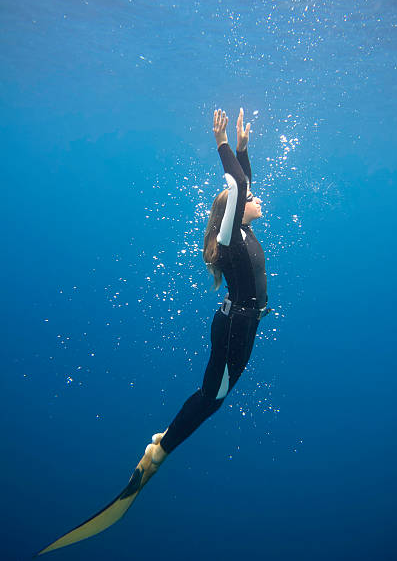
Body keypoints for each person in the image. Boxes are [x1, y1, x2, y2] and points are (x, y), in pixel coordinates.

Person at [36, 108, 269, 556]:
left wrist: (243, 148)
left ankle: (165, 439)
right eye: (251, 198)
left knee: (213, 399)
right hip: (235, 328)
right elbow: (238, 187)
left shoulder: (241, 231)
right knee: (211, 399)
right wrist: (223, 144)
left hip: (242, 327)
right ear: (236, 213)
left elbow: (244, 185)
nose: (260, 200)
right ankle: (160, 451)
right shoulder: (230, 240)